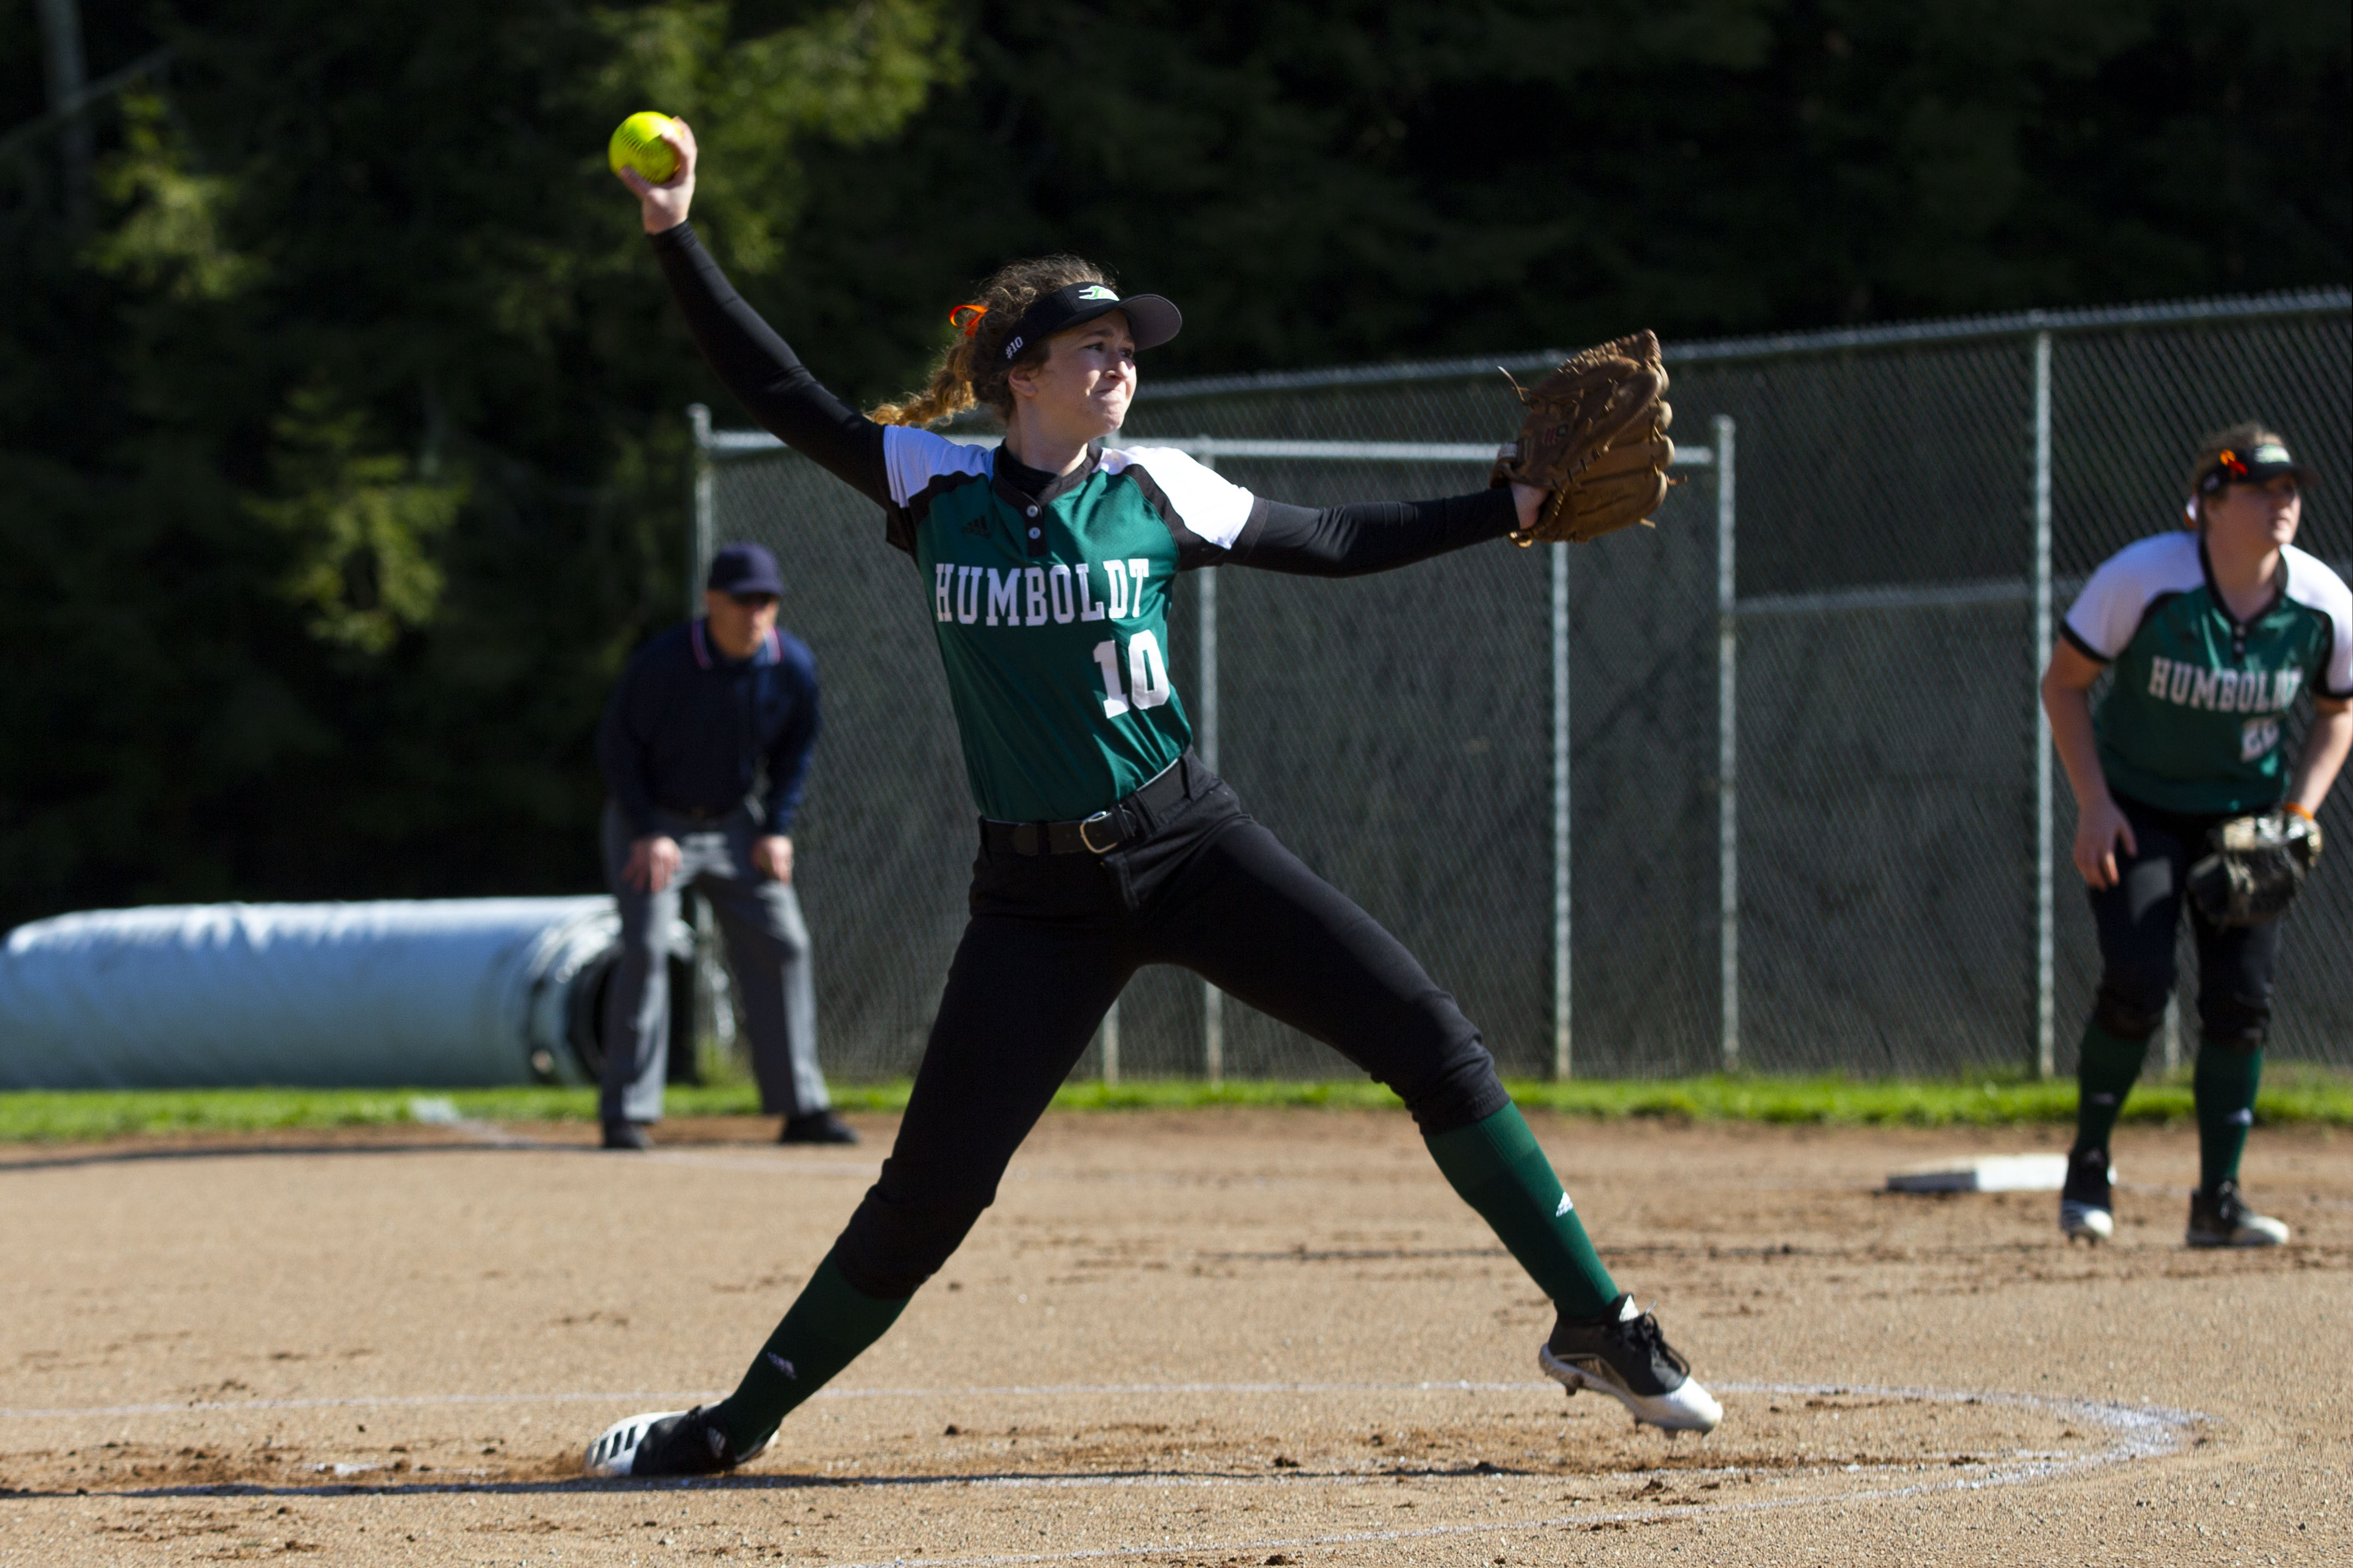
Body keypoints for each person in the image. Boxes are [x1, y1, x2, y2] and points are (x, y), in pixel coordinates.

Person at [583, 117, 1719, 1480]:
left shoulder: (1156, 488)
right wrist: (675, 234)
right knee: (930, 1192)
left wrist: (1512, 505)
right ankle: (730, 1426)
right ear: (1019, 372)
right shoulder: (930, 483)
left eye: (1131, 345)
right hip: (1034, 901)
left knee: (1431, 1039)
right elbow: (775, 390)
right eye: (1095, 345)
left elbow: (1341, 541)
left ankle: (1600, 1317)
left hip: (1189, 843)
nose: (1123, 361)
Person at [2041, 423, 2350, 1248]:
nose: (2283, 499)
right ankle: (2089, 1164)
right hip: (2137, 806)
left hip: (2244, 822)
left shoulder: (2320, 601)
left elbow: (2338, 712)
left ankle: (2217, 1198)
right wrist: (2093, 801)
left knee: (2241, 1003)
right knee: (2138, 983)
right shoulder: (2144, 579)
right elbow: (2064, 683)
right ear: (2209, 503)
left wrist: (2299, 813)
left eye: (2290, 487)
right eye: (2260, 485)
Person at [593, 539, 858, 1150]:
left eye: (766, 600)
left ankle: (801, 1107)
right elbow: (617, 746)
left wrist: (775, 828)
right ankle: (627, 1111)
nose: (755, 612)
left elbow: (796, 751)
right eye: (742, 600)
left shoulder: (789, 664)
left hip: (737, 824)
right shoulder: (665, 663)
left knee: (785, 942)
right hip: (655, 822)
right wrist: (646, 830)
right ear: (712, 601)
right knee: (648, 947)